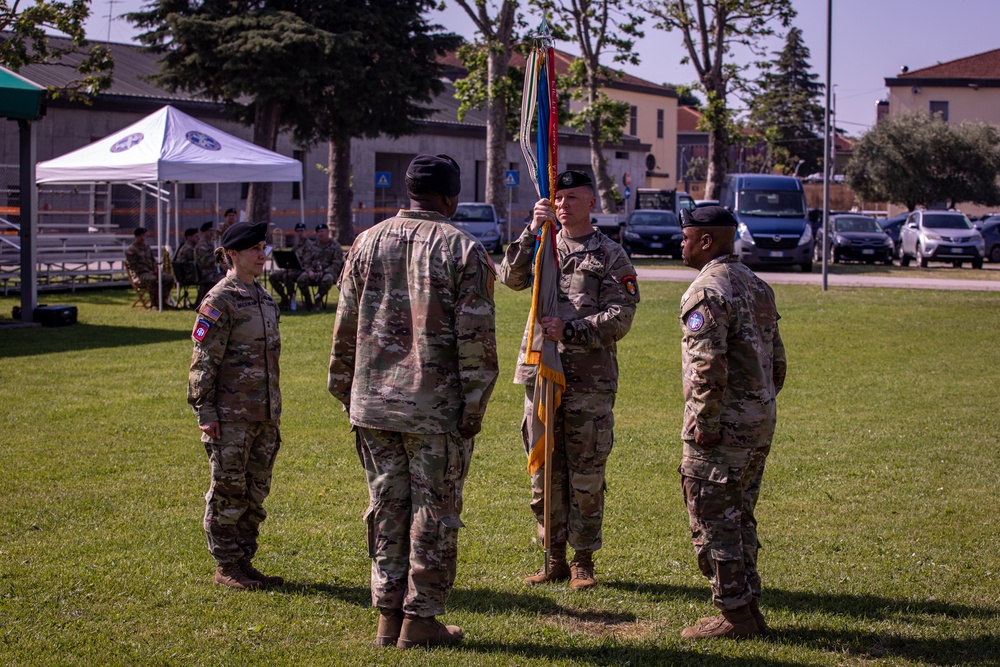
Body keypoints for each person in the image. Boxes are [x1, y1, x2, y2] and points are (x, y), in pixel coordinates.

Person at [328, 154, 498, 649]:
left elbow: (345, 325)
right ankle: (419, 619)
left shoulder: (366, 242)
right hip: (434, 409)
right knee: (433, 512)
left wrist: (346, 389)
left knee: (387, 506)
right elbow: (476, 340)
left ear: (409, 193)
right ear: (451, 197)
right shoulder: (463, 249)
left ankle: (388, 616)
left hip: (373, 404)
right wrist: (473, 406)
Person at [498, 170, 639, 590]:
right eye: (557, 199)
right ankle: (552, 556)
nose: (563, 206)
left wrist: (572, 330)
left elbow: (621, 316)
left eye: (572, 198)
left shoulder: (611, 255)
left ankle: (583, 562)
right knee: (544, 469)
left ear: (592, 203)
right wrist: (530, 230)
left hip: (588, 379)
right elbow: (510, 278)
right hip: (541, 373)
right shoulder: (543, 244)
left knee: (585, 472)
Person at [675, 205, 786, 640]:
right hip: (757, 422)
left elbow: (706, 367)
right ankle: (749, 607)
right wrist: (757, 405)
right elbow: (777, 363)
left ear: (707, 241)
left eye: (686, 237)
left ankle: (735, 616)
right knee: (741, 517)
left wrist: (705, 421)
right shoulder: (757, 285)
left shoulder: (707, 291)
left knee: (714, 520)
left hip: (720, 429)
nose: (679, 245)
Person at [188, 221, 284, 591]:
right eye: (253, 249)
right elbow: (203, 361)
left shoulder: (263, 298)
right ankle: (226, 566)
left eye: (263, 247)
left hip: (264, 415)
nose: (262, 255)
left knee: (255, 493)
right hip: (229, 417)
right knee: (228, 490)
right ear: (231, 254)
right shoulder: (219, 300)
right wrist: (205, 411)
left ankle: (244, 561)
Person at [296, 223, 344, 311]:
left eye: (322, 231)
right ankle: (308, 301)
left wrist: (324, 272)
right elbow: (307, 262)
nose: (320, 234)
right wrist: (310, 271)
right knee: (301, 279)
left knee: (327, 279)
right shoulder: (313, 246)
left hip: (328, 273)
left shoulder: (335, 246)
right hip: (313, 273)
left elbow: (337, 264)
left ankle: (318, 300)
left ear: (328, 232)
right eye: (318, 232)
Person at [125, 227, 175, 306]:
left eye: (144, 235)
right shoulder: (131, 250)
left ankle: (162, 300)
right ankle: (154, 304)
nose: (143, 238)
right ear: (136, 237)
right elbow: (134, 265)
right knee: (152, 280)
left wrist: (155, 269)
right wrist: (148, 271)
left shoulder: (147, 247)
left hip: (152, 272)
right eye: (140, 236)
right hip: (140, 274)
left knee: (169, 278)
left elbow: (153, 260)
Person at [270, 221, 313, 310]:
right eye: (298, 231)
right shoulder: (296, 244)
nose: (300, 233)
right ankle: (284, 298)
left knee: (287, 276)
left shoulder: (309, 244)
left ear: (306, 232)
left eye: (302, 230)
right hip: (293, 269)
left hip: (303, 270)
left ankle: (293, 299)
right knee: (273, 276)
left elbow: (307, 262)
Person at [195, 222, 224, 308]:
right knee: (226, 280)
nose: (212, 233)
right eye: (209, 231)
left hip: (212, 272)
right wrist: (218, 257)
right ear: (204, 232)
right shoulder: (202, 245)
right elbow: (205, 262)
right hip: (206, 274)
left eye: (213, 231)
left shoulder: (210, 243)